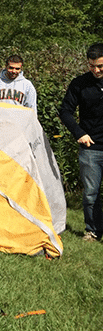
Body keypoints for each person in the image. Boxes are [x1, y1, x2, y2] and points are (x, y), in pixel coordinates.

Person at [59, 42, 103, 242]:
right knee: (91, 194)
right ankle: (93, 231)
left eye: (100, 66)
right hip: (90, 147)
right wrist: (79, 132)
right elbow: (65, 111)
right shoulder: (79, 84)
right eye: (92, 66)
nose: (96, 70)